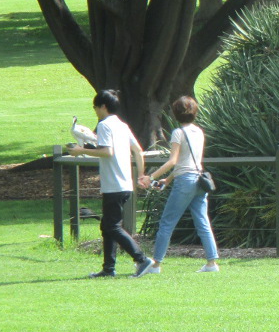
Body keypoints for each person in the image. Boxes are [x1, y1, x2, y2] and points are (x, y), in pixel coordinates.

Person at [66, 89, 155, 278]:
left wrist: (80, 150)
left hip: (113, 184)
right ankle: (108, 268)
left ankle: (141, 259)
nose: (95, 111)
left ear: (103, 106)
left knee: (112, 226)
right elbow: (138, 151)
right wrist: (140, 174)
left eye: (95, 107)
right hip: (124, 184)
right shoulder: (122, 125)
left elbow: (107, 152)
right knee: (107, 225)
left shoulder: (105, 125)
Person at [138, 95, 220, 273]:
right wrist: (167, 180)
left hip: (185, 182)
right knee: (203, 222)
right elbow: (188, 161)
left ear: (175, 114)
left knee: (167, 223)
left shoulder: (178, 133)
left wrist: (150, 177)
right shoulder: (199, 132)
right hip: (199, 180)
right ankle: (212, 263)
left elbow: (173, 161)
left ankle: (156, 264)